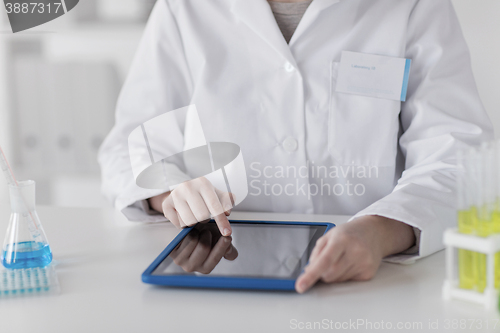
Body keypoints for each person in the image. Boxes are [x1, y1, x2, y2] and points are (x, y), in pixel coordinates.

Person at [98, 0, 493, 293]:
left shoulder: (414, 5)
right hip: (219, 274)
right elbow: (127, 148)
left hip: (372, 282)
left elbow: (459, 154)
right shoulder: (184, 7)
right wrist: (170, 189)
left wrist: (379, 232)